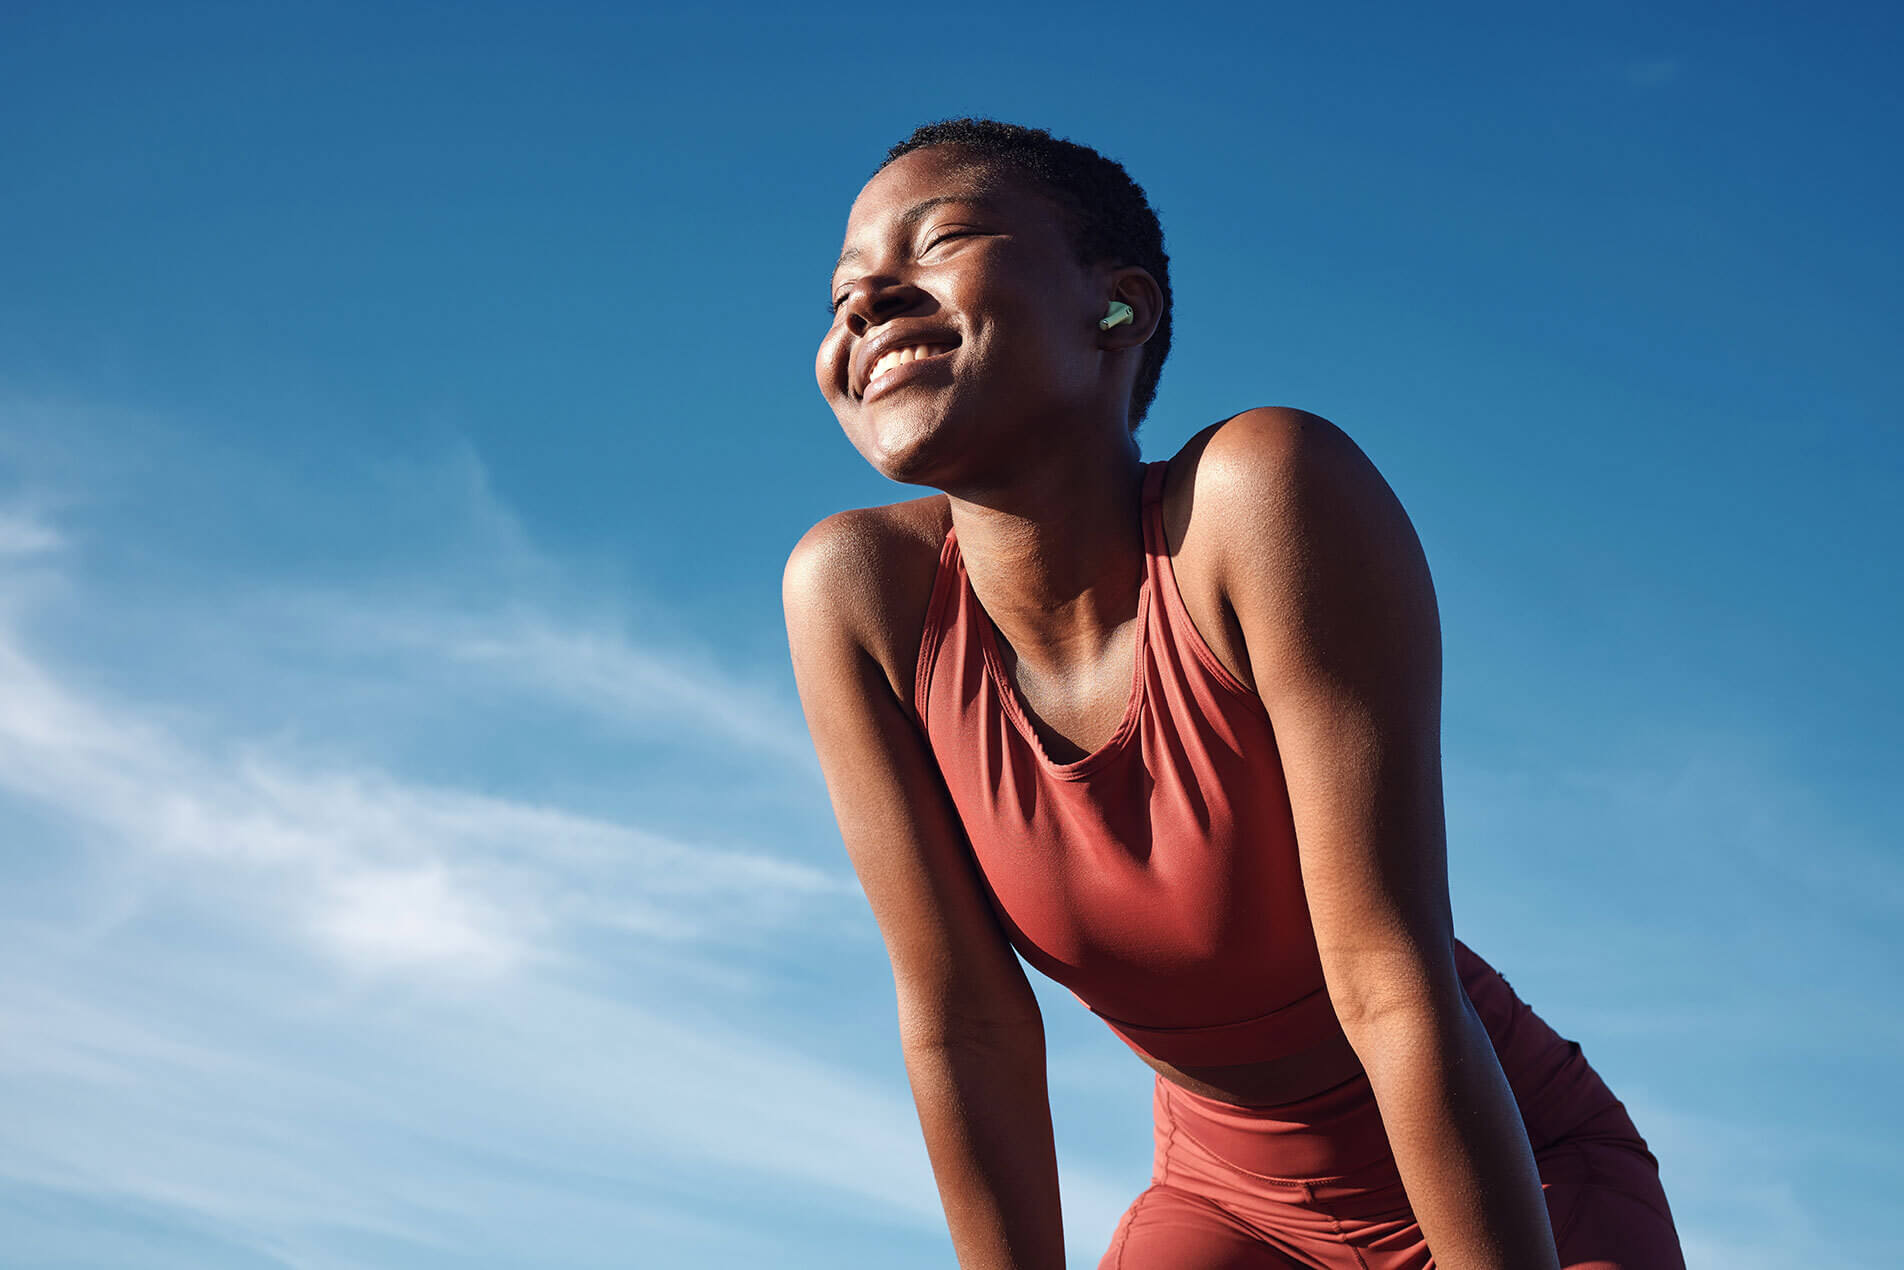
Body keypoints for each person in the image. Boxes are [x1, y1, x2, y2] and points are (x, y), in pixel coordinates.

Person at [782, 118, 1684, 1270]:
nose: (867, 302)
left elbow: (1387, 986)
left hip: (1509, 1179)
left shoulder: (1259, 498)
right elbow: (966, 1023)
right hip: (1227, 1207)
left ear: (1119, 310)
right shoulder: (856, 597)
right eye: (843, 290)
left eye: (942, 237)